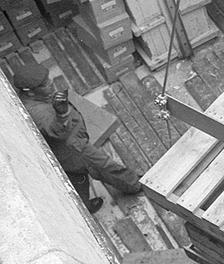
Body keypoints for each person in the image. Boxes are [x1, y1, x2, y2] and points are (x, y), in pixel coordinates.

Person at [14, 63, 142, 214]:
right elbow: (56, 130)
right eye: (45, 84)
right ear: (29, 92)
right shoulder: (37, 112)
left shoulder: (36, 98)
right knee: (106, 166)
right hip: (75, 150)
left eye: (48, 79)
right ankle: (135, 185)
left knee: (78, 182)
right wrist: (62, 114)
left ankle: (85, 206)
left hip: (66, 151)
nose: (51, 83)